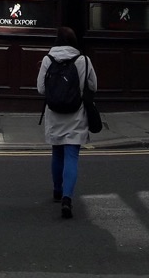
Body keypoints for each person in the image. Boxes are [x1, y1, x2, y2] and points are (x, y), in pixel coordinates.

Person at [36, 26, 97, 220]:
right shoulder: (84, 60)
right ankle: (67, 199)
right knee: (71, 155)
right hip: (76, 114)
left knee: (57, 152)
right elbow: (94, 86)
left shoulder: (48, 59)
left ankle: (56, 190)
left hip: (54, 114)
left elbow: (40, 89)